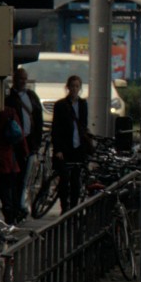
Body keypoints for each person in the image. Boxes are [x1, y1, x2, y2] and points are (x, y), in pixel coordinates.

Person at [6, 67, 45, 219]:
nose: (23, 81)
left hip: (30, 141)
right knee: (14, 175)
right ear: (14, 80)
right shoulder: (9, 97)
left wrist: (37, 141)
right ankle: (15, 205)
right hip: (16, 143)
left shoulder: (32, 96)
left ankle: (19, 204)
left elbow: (39, 118)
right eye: (20, 78)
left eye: (25, 79)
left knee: (24, 177)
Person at [51, 74, 91, 211]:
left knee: (76, 181)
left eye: (77, 86)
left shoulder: (83, 104)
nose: (74, 89)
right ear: (68, 87)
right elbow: (56, 128)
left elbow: (83, 125)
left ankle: (73, 207)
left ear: (80, 88)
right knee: (64, 179)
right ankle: (64, 206)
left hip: (78, 146)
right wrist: (58, 149)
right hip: (65, 146)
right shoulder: (60, 105)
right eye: (72, 86)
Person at [0, 106, 28, 224]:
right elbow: (19, 134)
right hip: (7, 161)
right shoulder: (10, 112)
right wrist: (25, 152)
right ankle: (10, 222)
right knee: (8, 195)